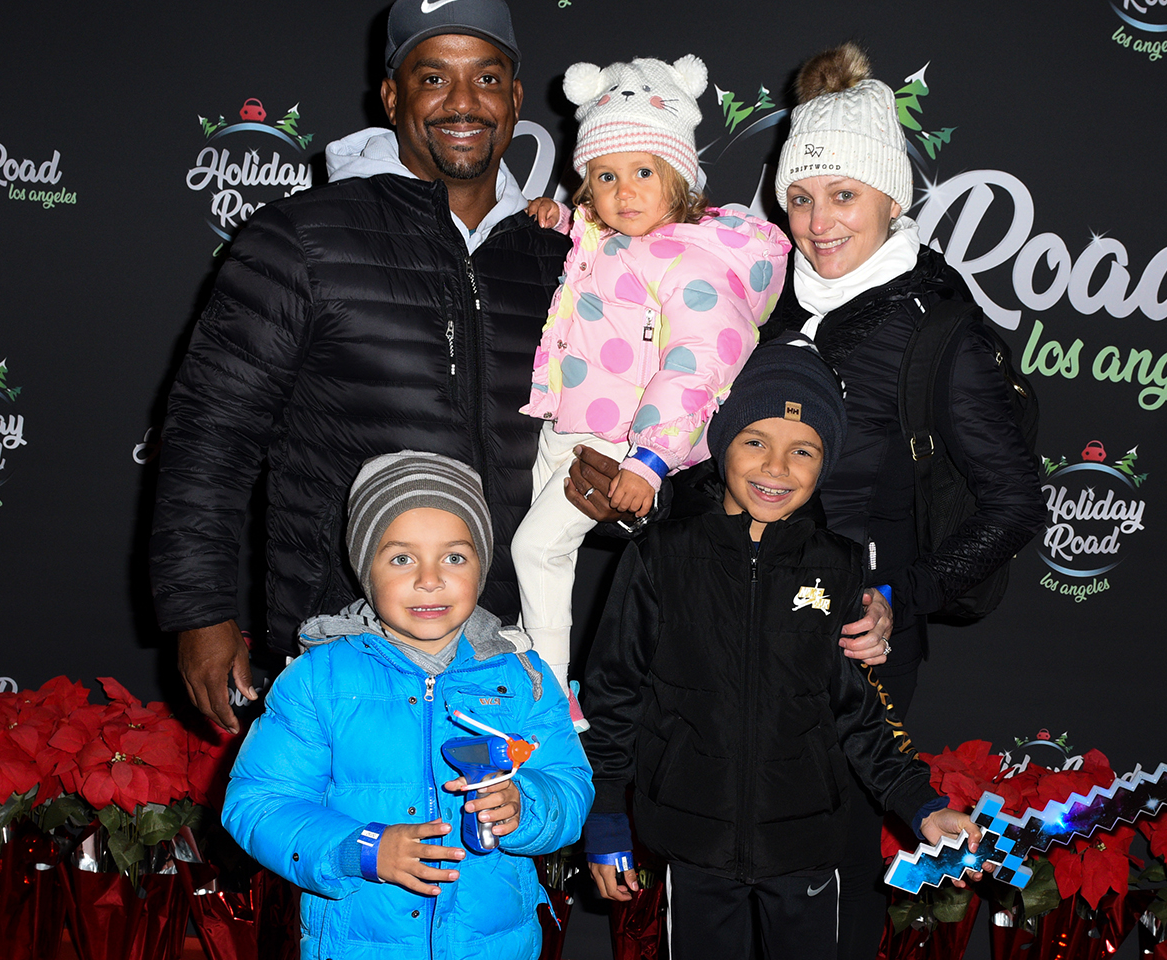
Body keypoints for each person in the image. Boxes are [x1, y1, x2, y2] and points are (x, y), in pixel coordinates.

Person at [149, 0, 574, 733]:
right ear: (392, 96)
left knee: (497, 844)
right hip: (343, 643)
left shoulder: (562, 259)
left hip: (507, 649)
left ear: (513, 96)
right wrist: (200, 613)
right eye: (434, 77)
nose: (463, 103)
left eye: (487, 78)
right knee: (351, 848)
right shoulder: (299, 238)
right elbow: (210, 435)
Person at [759, 42, 1044, 960]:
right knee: (744, 869)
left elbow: (1014, 503)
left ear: (892, 196)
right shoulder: (763, 298)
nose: (817, 220)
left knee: (826, 877)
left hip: (860, 642)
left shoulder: (943, 328)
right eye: (800, 196)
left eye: (843, 194)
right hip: (746, 624)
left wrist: (899, 600)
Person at [576, 337, 982, 960]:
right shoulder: (660, 555)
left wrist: (920, 806)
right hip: (692, 843)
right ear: (722, 445)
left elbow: (861, 715)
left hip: (806, 847)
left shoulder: (841, 569)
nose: (776, 468)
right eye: (755, 442)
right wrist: (605, 814)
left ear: (825, 465)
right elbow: (614, 693)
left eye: (803, 451)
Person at [222, 451, 593, 960]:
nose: (429, 578)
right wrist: (362, 848)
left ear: (482, 565)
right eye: (401, 558)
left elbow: (570, 787)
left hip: (496, 945)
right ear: (363, 568)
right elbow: (257, 802)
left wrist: (525, 805)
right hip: (359, 946)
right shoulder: (317, 680)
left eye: (455, 557)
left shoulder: (521, 678)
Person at [512, 54, 791, 704]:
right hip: (569, 423)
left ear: (680, 177)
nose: (625, 192)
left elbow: (703, 358)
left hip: (626, 436)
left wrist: (651, 459)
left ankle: (550, 700)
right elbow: (593, 240)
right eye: (605, 176)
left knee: (536, 550)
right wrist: (560, 218)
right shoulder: (605, 230)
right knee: (543, 562)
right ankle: (533, 675)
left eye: (644, 172)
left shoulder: (690, 257)